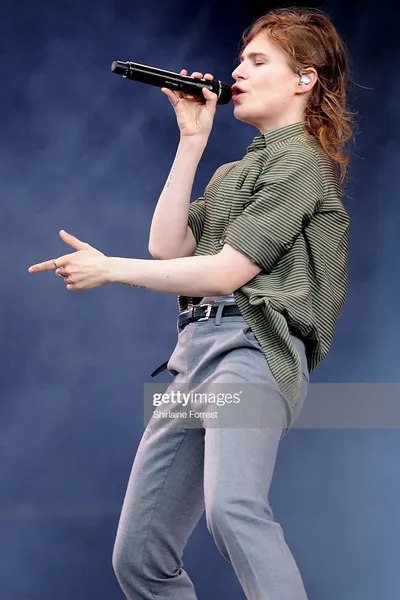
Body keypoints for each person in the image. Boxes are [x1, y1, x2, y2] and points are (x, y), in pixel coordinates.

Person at [28, 6, 354, 600]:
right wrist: (191, 141)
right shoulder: (237, 170)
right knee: (140, 555)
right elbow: (169, 246)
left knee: (233, 508)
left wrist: (110, 270)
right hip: (194, 357)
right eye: (240, 60)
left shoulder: (303, 163)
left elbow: (227, 271)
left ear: (305, 78)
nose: (238, 73)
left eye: (257, 61)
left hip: (251, 352)